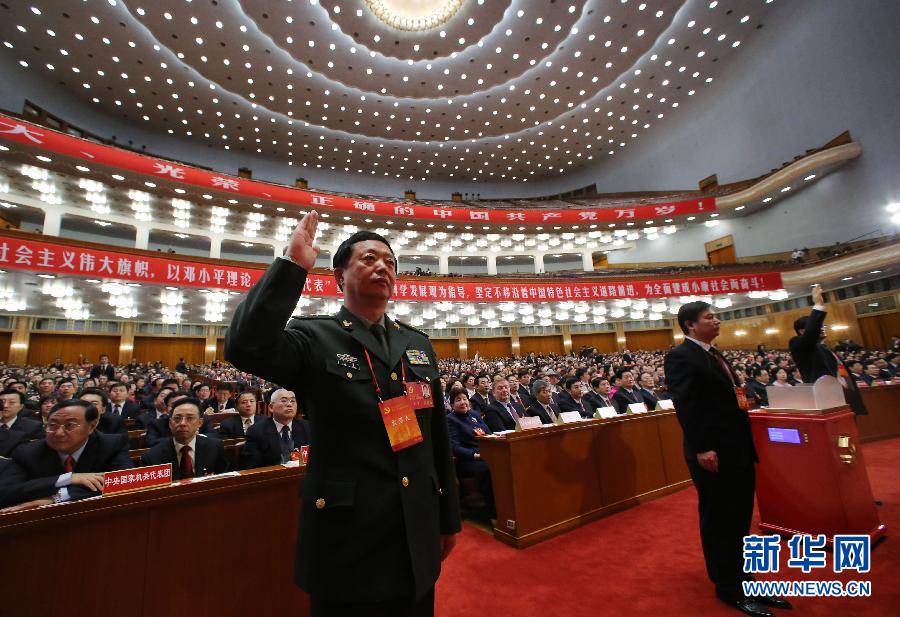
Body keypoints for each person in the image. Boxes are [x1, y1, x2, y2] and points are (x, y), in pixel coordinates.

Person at [225, 213, 461, 616]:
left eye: (390, 262)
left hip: (416, 532)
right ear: (339, 276)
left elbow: (436, 437)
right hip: (348, 538)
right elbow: (244, 345)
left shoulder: (417, 344)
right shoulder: (314, 337)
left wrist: (448, 518)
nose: (382, 267)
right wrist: (292, 266)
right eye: (369, 258)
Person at [665, 301, 789, 617]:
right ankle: (728, 587)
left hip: (737, 447)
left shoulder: (715, 354)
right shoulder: (681, 356)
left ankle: (747, 581)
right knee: (720, 519)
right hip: (713, 452)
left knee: (739, 517)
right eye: (710, 317)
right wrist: (702, 447)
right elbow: (687, 406)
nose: (717, 321)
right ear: (691, 325)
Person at [7, 400, 133, 506]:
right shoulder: (27, 452)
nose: (59, 433)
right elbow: (7, 491)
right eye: (52, 425)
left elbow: (124, 482)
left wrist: (58, 497)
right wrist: (67, 478)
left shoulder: (111, 444)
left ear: (91, 427)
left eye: (69, 425)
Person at [788, 284, 866, 415]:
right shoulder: (797, 344)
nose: (821, 329)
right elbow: (811, 334)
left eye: (822, 326)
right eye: (818, 326)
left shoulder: (824, 347)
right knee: (840, 427)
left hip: (845, 395)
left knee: (850, 425)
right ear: (802, 331)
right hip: (827, 398)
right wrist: (818, 305)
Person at [140, 398, 228, 480]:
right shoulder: (151, 457)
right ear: (170, 423)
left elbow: (224, 480)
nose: (182, 423)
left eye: (190, 418)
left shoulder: (215, 447)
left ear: (200, 423)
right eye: (177, 418)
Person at [445, 387, 495, 518]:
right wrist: (475, 455)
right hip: (467, 460)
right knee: (489, 469)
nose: (463, 402)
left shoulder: (474, 415)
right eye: (458, 400)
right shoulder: (450, 419)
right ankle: (494, 514)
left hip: (486, 454)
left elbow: (489, 434)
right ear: (452, 405)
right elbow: (455, 447)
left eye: (465, 399)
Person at [240, 389, 311, 469]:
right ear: (271, 407)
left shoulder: (307, 427)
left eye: (293, 401)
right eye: (284, 401)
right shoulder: (256, 431)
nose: (289, 404)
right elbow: (252, 467)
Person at [0, 389, 44, 457]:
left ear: (21, 407)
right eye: (1, 402)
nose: (5, 406)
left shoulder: (33, 427)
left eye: (11, 402)